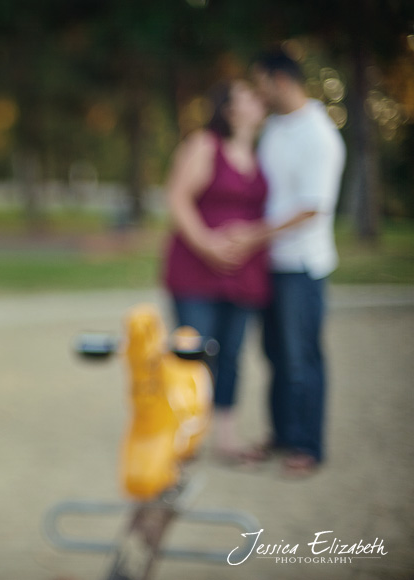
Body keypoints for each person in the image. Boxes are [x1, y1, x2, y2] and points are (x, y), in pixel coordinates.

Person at [161, 79, 271, 463]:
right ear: (229, 109)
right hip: (196, 269)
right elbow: (177, 197)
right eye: (249, 97)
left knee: (232, 355)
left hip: (242, 274)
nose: (259, 102)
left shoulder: (261, 153)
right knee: (192, 351)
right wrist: (208, 244)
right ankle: (182, 434)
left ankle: (226, 438)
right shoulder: (204, 145)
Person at [248, 49, 346, 477]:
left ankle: (308, 445)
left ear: (280, 80)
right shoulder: (274, 127)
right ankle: (283, 434)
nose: (257, 91)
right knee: (273, 353)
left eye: (260, 82)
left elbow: (312, 207)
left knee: (301, 356)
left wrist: (254, 235)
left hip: (302, 266)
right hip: (270, 262)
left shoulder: (319, 134)